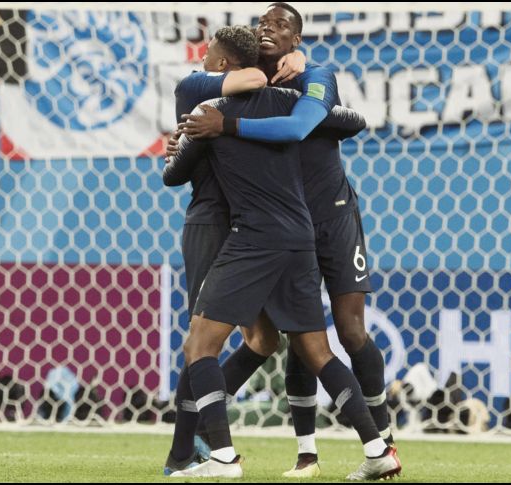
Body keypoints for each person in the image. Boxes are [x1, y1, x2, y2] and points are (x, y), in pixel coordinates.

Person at [164, 27, 399, 480]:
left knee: (200, 343)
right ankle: (378, 449)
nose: (202, 59)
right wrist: (304, 90)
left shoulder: (207, 109)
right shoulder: (291, 104)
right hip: (300, 236)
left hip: (240, 234)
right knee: (313, 349)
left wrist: (181, 145)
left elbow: (174, 176)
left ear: (221, 64)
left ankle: (216, 457)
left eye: (209, 53)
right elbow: (347, 121)